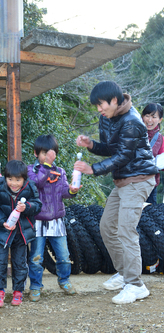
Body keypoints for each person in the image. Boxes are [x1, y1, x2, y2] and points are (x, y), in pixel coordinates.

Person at [74, 81, 158, 304]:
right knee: (106, 226)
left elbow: (123, 156)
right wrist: (91, 144)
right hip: (122, 180)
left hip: (139, 180)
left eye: (101, 105)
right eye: (97, 106)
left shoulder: (132, 121)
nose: (98, 110)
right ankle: (124, 274)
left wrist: (92, 170)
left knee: (126, 230)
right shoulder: (107, 117)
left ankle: (136, 285)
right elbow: (110, 148)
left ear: (114, 100)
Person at [27, 134, 80, 302]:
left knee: (64, 255)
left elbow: (64, 192)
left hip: (57, 221)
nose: (47, 157)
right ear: (36, 153)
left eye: (50, 154)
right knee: (36, 257)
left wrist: (72, 190)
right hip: (38, 221)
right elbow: (36, 185)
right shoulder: (31, 171)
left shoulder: (61, 172)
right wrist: (47, 167)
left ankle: (64, 280)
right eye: (44, 154)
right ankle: (35, 286)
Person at [0, 160, 42, 307]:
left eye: (18, 180)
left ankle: (18, 292)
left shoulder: (30, 187)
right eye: (10, 179)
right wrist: (2, 221)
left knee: (20, 263)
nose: (14, 183)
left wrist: (27, 207)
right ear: (5, 177)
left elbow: (37, 205)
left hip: (21, 233)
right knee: (0, 262)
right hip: (3, 231)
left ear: (24, 179)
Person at [141, 103, 164, 204]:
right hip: (130, 182)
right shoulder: (133, 133)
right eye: (147, 116)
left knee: (151, 214)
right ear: (142, 117)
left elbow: (161, 164)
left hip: (151, 184)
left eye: (154, 117)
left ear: (160, 120)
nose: (150, 120)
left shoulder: (160, 139)